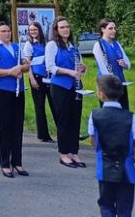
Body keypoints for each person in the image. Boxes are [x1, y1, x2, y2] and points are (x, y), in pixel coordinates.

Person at [88, 75, 135, 217]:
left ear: (101, 94)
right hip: (126, 171)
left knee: (106, 206)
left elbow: (93, 140)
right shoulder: (131, 117)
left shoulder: (95, 115)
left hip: (104, 169)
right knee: (125, 208)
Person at [0, 20, 29, 178]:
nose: (7, 33)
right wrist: (10, 72)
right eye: (3, 31)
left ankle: (17, 161)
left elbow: (26, 66)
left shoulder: (17, 47)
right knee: (5, 127)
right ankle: (5, 162)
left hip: (18, 91)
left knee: (18, 126)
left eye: (8, 31)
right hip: (3, 90)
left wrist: (20, 68)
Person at [47, 16, 88, 168]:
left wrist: (83, 68)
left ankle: (74, 151)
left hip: (76, 86)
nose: (66, 29)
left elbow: (80, 64)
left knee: (75, 119)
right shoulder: (52, 45)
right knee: (64, 120)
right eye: (62, 27)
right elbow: (50, 67)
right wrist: (70, 73)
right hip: (60, 87)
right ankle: (64, 153)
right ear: (56, 30)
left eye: (67, 27)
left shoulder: (73, 46)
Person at [22, 21, 57, 143]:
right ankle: (43, 134)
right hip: (36, 76)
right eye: (31, 30)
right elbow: (27, 64)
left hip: (49, 76)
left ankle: (62, 131)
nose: (33, 32)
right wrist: (31, 79)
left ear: (39, 30)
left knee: (55, 104)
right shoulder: (29, 45)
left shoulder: (46, 43)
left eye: (35, 30)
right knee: (40, 106)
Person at [93, 19, 132, 110]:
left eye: (114, 28)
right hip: (107, 85)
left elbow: (128, 64)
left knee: (124, 111)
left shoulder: (117, 44)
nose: (114, 30)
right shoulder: (98, 45)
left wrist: (124, 64)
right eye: (110, 28)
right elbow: (103, 69)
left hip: (121, 83)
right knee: (110, 113)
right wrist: (114, 83)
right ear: (103, 29)